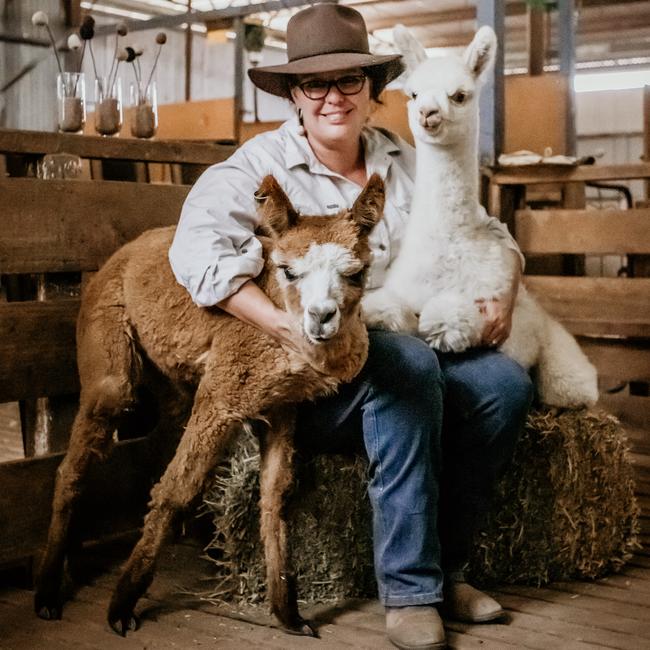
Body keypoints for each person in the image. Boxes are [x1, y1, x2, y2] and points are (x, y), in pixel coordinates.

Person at [169, 4, 533, 649]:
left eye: (349, 81)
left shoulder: (409, 162)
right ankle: (411, 589)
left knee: (502, 384)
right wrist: (283, 328)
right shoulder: (259, 169)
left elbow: (488, 229)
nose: (333, 97)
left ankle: (448, 570)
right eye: (315, 84)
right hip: (312, 374)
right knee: (410, 367)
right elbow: (195, 253)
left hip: (398, 340)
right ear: (294, 95)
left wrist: (503, 282)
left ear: (372, 91)